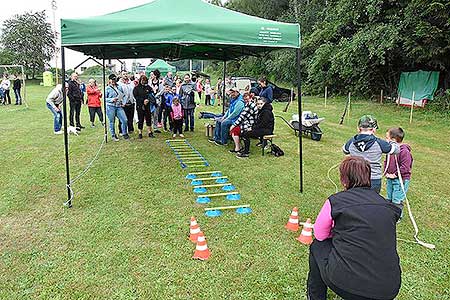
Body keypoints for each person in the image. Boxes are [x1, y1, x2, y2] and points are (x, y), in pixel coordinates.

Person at [307, 156, 401, 300]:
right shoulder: (388, 206)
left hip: (347, 285)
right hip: (389, 288)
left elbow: (319, 234)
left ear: (344, 179)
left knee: (317, 246)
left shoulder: (335, 201)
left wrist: (337, 232)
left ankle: (316, 297)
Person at [343, 115, 399, 193]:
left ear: (358, 128)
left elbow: (345, 150)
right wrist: (392, 140)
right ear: (374, 129)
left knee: (354, 200)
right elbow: (396, 150)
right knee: (372, 202)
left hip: (354, 177)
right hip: (374, 179)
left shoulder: (351, 141)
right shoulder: (379, 143)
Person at [384, 127, 413, 216]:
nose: (386, 140)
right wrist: (386, 171)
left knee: (397, 199)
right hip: (390, 178)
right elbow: (387, 161)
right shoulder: (391, 150)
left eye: (387, 138)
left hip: (400, 180)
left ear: (393, 140)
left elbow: (405, 167)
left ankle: (397, 216)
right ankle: (389, 214)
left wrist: (395, 174)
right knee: (389, 197)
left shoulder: (404, 152)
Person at [105, 74, 129, 141]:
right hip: (110, 107)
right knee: (112, 121)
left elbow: (123, 95)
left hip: (118, 106)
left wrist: (123, 102)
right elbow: (104, 99)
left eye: (114, 79)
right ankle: (113, 135)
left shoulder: (119, 87)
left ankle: (124, 133)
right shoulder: (107, 88)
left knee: (124, 120)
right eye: (112, 80)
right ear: (109, 80)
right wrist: (111, 99)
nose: (113, 81)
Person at [133, 75, 155, 139]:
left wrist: (148, 99)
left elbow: (151, 94)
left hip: (147, 106)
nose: (143, 82)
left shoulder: (148, 87)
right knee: (140, 119)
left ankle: (150, 132)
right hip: (140, 105)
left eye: (145, 80)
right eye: (142, 80)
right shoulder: (136, 88)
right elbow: (136, 97)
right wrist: (143, 101)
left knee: (148, 118)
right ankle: (140, 133)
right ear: (140, 80)